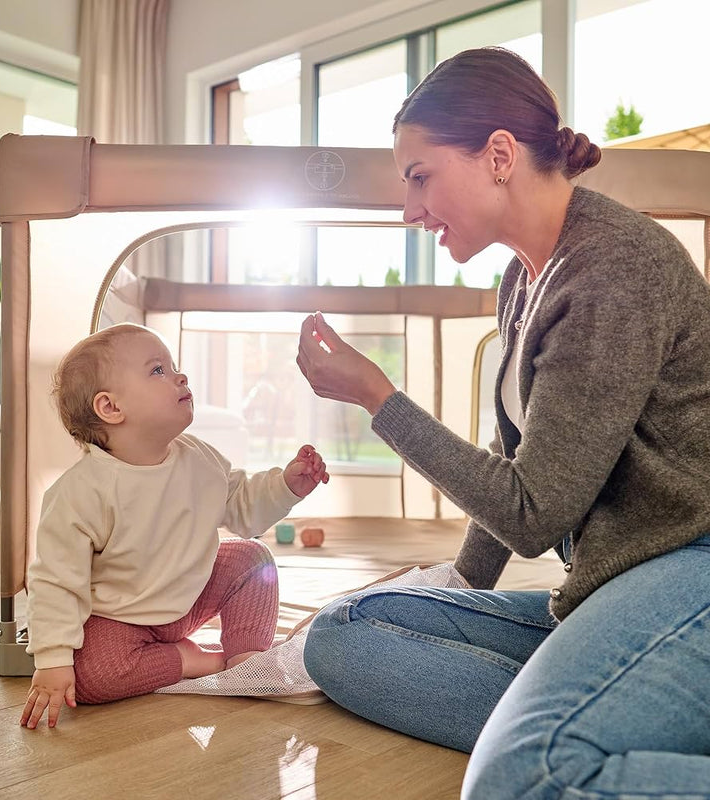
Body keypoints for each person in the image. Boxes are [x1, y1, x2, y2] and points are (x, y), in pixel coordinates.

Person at [296, 46, 710, 799]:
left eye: (420, 176)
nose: (409, 209)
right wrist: (462, 583)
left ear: (496, 156)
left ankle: (587, 726)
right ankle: (634, 712)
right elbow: (516, 455)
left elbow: (534, 510)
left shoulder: (613, 269)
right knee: (345, 633)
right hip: (610, 583)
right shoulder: (523, 277)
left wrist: (377, 400)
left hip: (690, 568)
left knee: (526, 778)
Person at [20, 322, 328, 730]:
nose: (179, 375)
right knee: (91, 675)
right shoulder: (81, 492)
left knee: (253, 560)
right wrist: (54, 659)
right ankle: (186, 659)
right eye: (157, 370)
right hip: (120, 618)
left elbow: (242, 506)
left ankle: (245, 658)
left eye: (173, 365)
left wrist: (287, 486)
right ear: (111, 408)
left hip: (187, 596)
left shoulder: (198, 457)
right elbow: (57, 582)